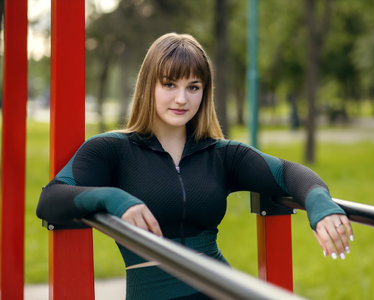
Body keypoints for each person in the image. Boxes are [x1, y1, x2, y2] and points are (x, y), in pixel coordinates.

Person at [37, 32, 353, 300]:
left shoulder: (222, 154)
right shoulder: (112, 150)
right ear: (150, 86)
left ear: (205, 91)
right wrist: (114, 200)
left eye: (193, 87)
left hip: (218, 288)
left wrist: (322, 207)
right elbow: (51, 199)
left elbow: (289, 174)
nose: (182, 99)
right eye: (169, 84)